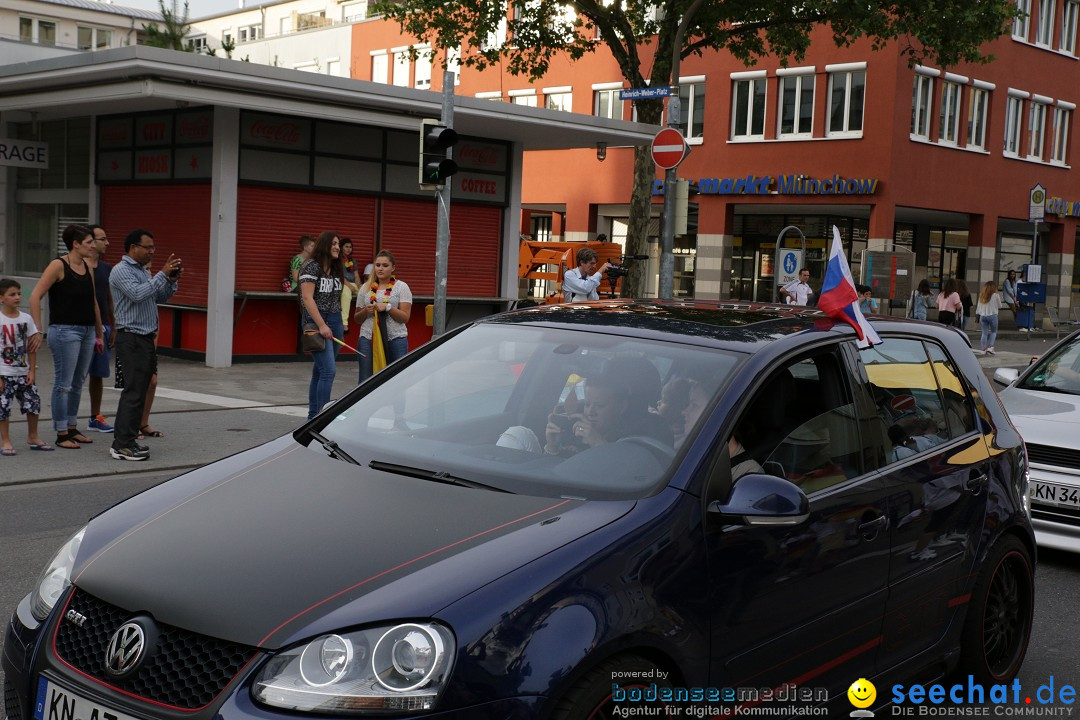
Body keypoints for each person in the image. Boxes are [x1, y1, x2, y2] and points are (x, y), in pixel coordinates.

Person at [29, 224, 105, 450]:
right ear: (76, 244)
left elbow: (93, 302)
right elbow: (35, 296)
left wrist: (99, 332)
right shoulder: (58, 265)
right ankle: (61, 432)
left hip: (87, 331)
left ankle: (72, 427)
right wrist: (37, 329)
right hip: (64, 331)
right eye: (89, 242)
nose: (93, 246)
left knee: (77, 382)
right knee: (64, 384)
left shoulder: (87, 267)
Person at [108, 229, 181, 461]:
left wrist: (170, 280)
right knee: (133, 392)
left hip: (145, 338)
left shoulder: (141, 270)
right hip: (132, 338)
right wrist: (161, 273)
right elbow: (138, 294)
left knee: (139, 391)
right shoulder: (121, 271)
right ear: (132, 248)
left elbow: (156, 297)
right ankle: (122, 445)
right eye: (147, 247)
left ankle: (126, 440)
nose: (151, 251)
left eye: (153, 248)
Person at [0, 279, 51, 454]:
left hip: (23, 372)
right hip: (4, 373)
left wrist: (31, 370)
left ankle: (33, 436)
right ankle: (6, 441)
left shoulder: (26, 318)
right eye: (12, 294)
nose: (17, 297)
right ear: (1, 298)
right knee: (3, 407)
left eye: (19, 294)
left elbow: (32, 347)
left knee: (33, 402)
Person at [300, 231, 344, 420]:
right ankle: (322, 419)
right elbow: (307, 298)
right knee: (328, 371)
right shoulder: (311, 266)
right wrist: (321, 325)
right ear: (324, 245)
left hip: (335, 319)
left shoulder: (335, 268)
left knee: (320, 371)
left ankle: (313, 417)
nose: (337, 247)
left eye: (338, 244)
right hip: (316, 320)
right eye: (334, 243)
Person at [355, 250, 412, 383]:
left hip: (395, 338)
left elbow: (405, 318)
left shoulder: (401, 287)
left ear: (393, 267)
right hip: (368, 337)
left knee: (397, 379)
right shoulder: (365, 287)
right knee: (365, 379)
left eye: (385, 265)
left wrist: (389, 308)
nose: (380, 268)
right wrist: (365, 311)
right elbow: (357, 318)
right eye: (378, 265)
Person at [86, 224, 115, 433]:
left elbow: (110, 300)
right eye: (102, 239)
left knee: (98, 375)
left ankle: (95, 417)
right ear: (90, 241)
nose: (107, 243)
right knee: (73, 377)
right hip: (79, 327)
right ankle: (66, 423)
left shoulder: (107, 269)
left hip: (103, 326)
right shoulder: (73, 266)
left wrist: (114, 327)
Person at [976, 280, 1003, 355]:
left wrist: (977, 314)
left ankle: (983, 349)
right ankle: (990, 347)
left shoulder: (982, 295)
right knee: (993, 331)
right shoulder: (996, 295)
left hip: (982, 316)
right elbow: (1000, 306)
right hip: (992, 315)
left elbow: (978, 307)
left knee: (984, 333)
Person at [339, 238, 359, 333]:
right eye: (346, 246)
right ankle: (344, 323)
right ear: (341, 247)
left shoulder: (352, 260)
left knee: (367, 293)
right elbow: (340, 276)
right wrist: (350, 287)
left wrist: (359, 287)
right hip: (342, 283)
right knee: (346, 295)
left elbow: (356, 276)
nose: (348, 249)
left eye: (350, 247)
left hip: (352, 284)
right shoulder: (337, 259)